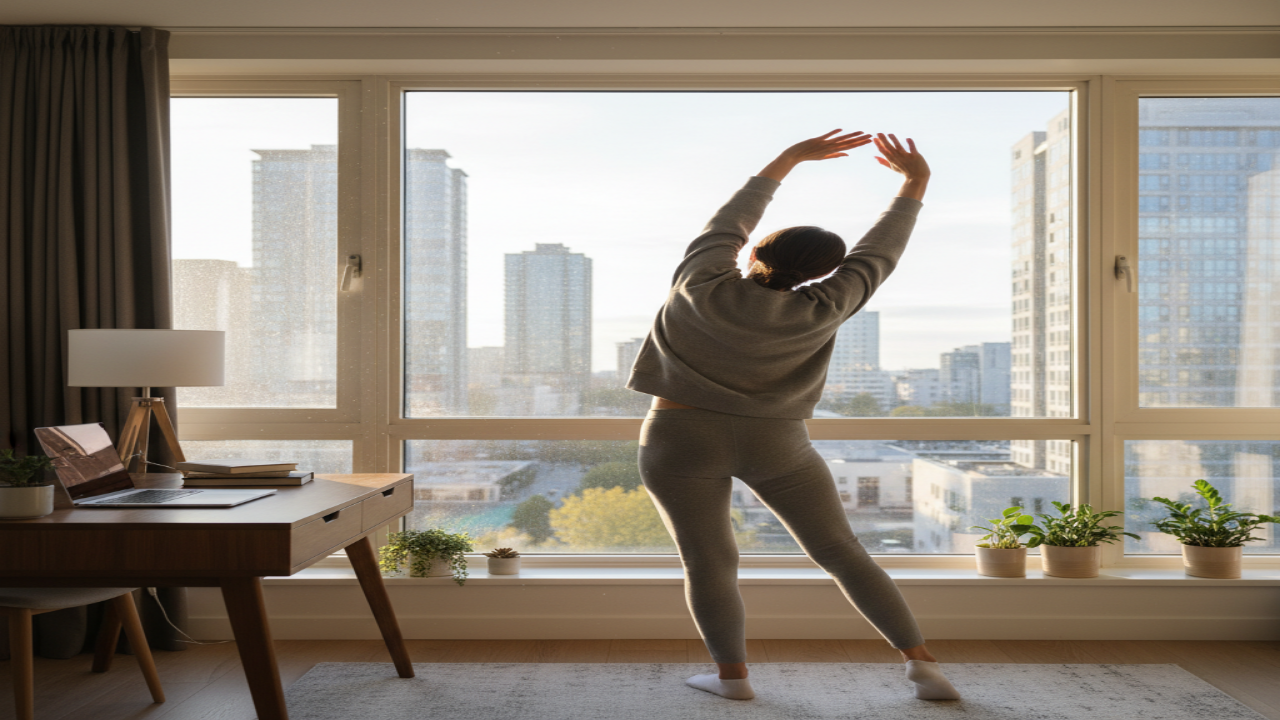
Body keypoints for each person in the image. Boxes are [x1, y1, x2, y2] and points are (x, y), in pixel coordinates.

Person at [626, 130, 959, 702]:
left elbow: (728, 221)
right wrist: (914, 183)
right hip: (778, 442)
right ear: (821, 274)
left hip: (679, 436)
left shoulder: (699, 282)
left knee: (708, 561)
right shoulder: (826, 304)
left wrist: (788, 161)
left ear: (756, 252)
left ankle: (733, 679)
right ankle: (924, 667)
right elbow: (879, 254)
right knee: (841, 552)